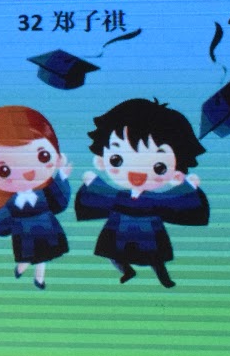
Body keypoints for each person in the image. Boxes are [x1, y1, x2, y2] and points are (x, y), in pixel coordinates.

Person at [75, 98, 210, 289]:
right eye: (116, 159)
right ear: (101, 159)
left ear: (176, 171)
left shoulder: (155, 199)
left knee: (155, 257)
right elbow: (103, 196)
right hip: (119, 228)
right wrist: (94, 184)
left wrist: (187, 188)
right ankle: (127, 271)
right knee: (114, 254)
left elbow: (173, 202)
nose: (136, 173)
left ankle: (164, 278)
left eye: (159, 167)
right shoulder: (119, 196)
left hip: (148, 230)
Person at [0, 106, 72, 290]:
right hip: (25, 233)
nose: (28, 172)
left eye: (43, 155)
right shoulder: (12, 203)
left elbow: (58, 200)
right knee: (28, 256)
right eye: (4, 170)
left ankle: (39, 279)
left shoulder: (43, 193)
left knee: (43, 257)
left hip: (47, 229)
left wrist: (61, 174)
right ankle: (21, 268)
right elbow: (2, 215)